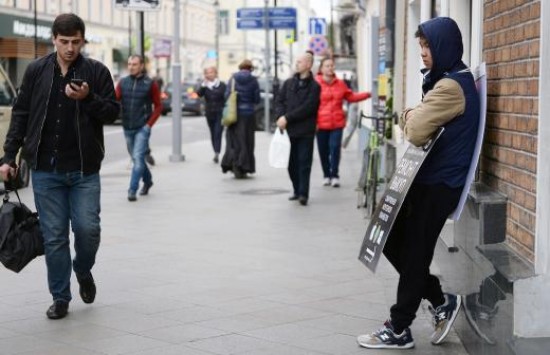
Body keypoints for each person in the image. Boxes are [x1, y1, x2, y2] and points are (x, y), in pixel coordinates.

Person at [357, 17, 480, 349]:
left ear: (444, 46)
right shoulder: (443, 81)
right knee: (391, 240)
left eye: (427, 46)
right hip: (426, 179)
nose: (423, 53)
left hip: (439, 184)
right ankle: (440, 299)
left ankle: (399, 328)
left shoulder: (451, 86)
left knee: (415, 253)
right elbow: (419, 122)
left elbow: (414, 131)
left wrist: (409, 113)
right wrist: (415, 112)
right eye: (420, 46)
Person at [0, 13, 120, 319]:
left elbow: (112, 113)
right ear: (54, 39)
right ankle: (60, 297)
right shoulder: (37, 71)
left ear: (82, 41)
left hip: (83, 170)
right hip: (45, 170)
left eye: (76, 42)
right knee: (54, 237)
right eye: (64, 41)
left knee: (87, 230)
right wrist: (8, 156)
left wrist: (88, 97)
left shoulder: (96, 71)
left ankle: (82, 269)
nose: (70, 48)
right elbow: (22, 113)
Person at [315, 57, 370, 187]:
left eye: (331, 66)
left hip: (337, 123)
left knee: (334, 148)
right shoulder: (316, 84)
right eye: (327, 66)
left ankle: (334, 175)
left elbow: (350, 97)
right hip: (320, 124)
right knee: (323, 151)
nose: (330, 68)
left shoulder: (340, 83)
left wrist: (367, 94)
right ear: (321, 69)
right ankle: (326, 175)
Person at [275, 52, 320, 206]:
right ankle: (296, 190)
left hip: (305, 131)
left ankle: (303, 194)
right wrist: (280, 117)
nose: (297, 64)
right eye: (297, 61)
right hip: (288, 131)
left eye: (300, 61)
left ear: (308, 64)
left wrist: (287, 118)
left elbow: (308, 108)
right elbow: (279, 101)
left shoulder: (315, 87)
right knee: (291, 163)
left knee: (304, 163)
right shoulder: (288, 83)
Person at [115, 55, 162, 201]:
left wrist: (149, 125)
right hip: (127, 127)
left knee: (137, 157)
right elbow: (113, 101)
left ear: (141, 66)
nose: (131, 67)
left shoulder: (150, 84)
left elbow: (159, 106)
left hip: (142, 127)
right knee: (137, 159)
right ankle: (148, 181)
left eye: (134, 64)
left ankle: (132, 190)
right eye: (129, 64)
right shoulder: (123, 83)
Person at [221, 59, 260, 178]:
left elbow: (226, 95)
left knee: (233, 141)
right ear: (250, 68)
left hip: (234, 114)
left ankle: (234, 164)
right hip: (248, 115)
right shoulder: (254, 80)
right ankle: (244, 166)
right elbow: (257, 99)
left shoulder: (233, 79)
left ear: (240, 67)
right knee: (247, 141)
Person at [197, 66, 227, 163]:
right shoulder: (205, 86)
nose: (209, 74)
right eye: (207, 73)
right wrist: (203, 85)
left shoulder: (222, 85)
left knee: (218, 132)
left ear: (215, 73)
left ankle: (217, 153)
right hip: (209, 112)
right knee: (213, 133)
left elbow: (226, 97)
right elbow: (199, 94)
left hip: (220, 112)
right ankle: (215, 151)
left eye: (211, 72)